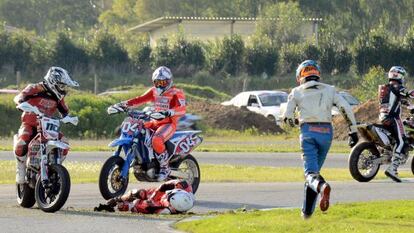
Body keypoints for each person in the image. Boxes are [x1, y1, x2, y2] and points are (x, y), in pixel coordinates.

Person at [282, 60, 358, 219]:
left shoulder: (296, 92)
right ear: (317, 74)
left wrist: (295, 122)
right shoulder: (330, 90)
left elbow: (287, 118)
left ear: (299, 77)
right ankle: (307, 213)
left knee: (310, 174)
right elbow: (345, 108)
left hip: (308, 132)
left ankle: (323, 187)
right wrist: (353, 131)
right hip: (326, 133)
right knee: (313, 174)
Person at [113, 66, 186, 181]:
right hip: (154, 121)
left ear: (169, 81)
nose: (160, 85)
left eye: (163, 82)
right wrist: (122, 105)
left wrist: (169, 112)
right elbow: (139, 99)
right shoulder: (153, 91)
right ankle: (140, 159)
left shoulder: (176, 93)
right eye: (158, 82)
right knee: (136, 130)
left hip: (168, 124)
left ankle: (164, 167)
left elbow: (182, 109)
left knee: (156, 139)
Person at [13, 67, 79, 184]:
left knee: (65, 143)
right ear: (53, 81)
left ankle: (54, 168)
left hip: (48, 127)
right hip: (30, 124)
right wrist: (22, 104)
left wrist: (69, 118)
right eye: (62, 85)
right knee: (22, 143)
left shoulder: (58, 97)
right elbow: (19, 97)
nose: (63, 89)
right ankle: (21, 168)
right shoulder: (35, 88)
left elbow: (64, 112)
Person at [379, 66, 414, 182]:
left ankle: (387, 153)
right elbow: (407, 94)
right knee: (402, 141)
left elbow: (400, 100)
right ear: (399, 76)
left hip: (382, 117)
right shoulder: (397, 87)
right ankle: (392, 169)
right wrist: (411, 93)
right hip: (393, 118)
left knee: (395, 140)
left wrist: (408, 104)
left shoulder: (386, 88)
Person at [95, 179, 194, 214]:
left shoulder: (167, 208)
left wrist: (132, 206)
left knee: (135, 206)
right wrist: (154, 196)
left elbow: (153, 208)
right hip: (156, 193)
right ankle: (118, 198)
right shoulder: (184, 187)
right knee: (139, 192)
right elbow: (164, 186)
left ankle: (124, 205)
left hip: (156, 202)